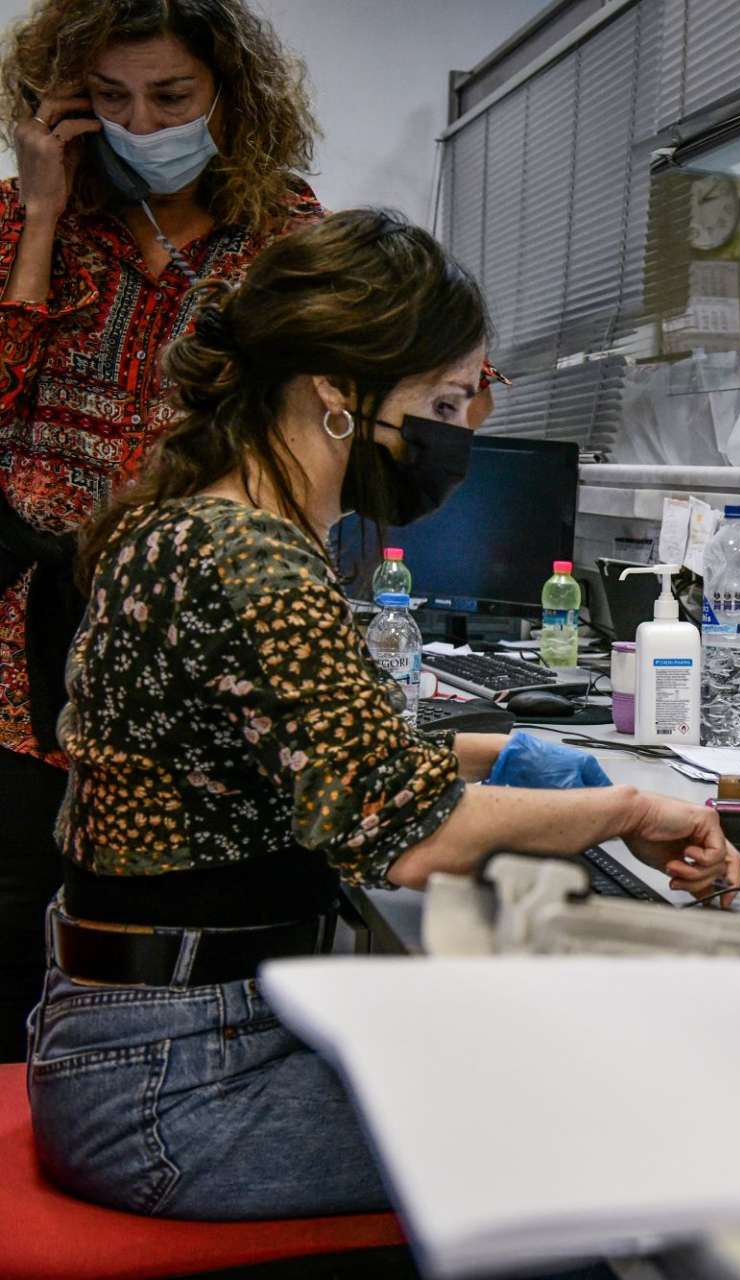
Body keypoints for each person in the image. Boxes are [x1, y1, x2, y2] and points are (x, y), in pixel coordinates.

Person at [26, 208, 740, 1219]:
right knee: (607, 1125)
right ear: (337, 391)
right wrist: (628, 809)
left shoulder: (193, 524)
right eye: (443, 401)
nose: (459, 433)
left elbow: (332, 756)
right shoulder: (250, 557)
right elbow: (411, 839)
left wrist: (500, 752)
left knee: (526, 1064)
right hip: (178, 1091)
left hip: (140, 1042)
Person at [0, 0, 326, 1062]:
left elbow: (362, 398)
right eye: (111, 97)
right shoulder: (24, 216)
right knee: (13, 923)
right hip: (20, 630)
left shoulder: (286, 235)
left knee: (165, 953)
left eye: (172, 96)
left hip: (190, 634)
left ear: (231, 94)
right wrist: (41, 218)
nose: (142, 123)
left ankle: (145, 1106)